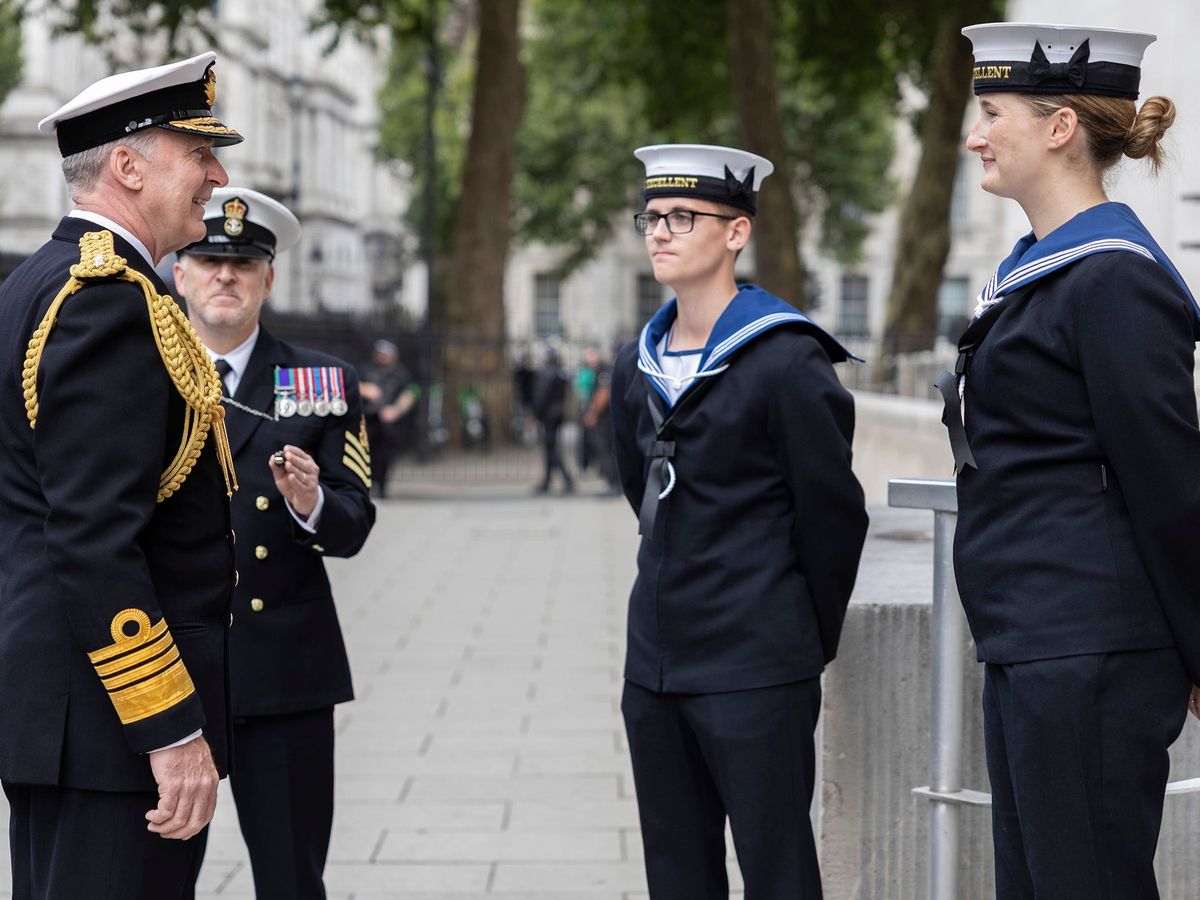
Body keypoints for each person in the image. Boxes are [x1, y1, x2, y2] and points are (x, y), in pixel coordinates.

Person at [940, 23, 1200, 898]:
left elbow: (1170, 485)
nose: (975, 134)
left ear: (1058, 128)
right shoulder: (1040, 268)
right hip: (1033, 636)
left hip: (1090, 648)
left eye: (990, 112)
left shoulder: (1115, 277)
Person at [0, 53, 242, 898]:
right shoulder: (104, 300)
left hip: (75, 713)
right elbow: (95, 538)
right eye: (197, 154)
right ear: (129, 166)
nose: (217, 175)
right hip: (110, 727)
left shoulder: (48, 280)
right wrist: (170, 728)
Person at [610, 144, 868, 898]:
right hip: (655, 662)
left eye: (682, 217)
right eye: (652, 217)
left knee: (776, 869)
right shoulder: (636, 362)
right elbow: (645, 494)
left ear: (735, 233)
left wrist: (795, 638)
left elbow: (832, 519)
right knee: (677, 873)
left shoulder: (786, 359)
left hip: (757, 664)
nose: (660, 232)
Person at [174, 187, 376, 898]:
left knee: (291, 876)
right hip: (171, 671)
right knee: (151, 875)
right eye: (207, 259)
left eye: (244, 262)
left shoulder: (317, 382)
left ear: (268, 278)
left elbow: (354, 524)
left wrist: (312, 501)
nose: (225, 275)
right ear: (181, 274)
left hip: (283, 667)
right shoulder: (147, 375)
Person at [359, 339, 415, 498]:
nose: (382, 357)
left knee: (385, 456)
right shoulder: (366, 369)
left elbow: (410, 393)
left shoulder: (400, 373)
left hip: (389, 422)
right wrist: (365, 389)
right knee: (366, 453)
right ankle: (366, 485)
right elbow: (350, 384)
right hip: (369, 419)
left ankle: (382, 486)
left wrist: (396, 410)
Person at [531, 347, 574, 494]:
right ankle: (547, 480)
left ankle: (567, 479)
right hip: (558, 413)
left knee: (552, 448)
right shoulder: (560, 372)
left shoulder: (546, 373)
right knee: (550, 447)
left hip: (548, 414)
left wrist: (535, 414)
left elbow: (540, 395)